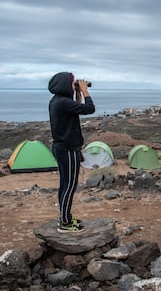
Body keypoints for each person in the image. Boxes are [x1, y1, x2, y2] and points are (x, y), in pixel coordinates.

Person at [48, 72, 95, 233]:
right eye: (73, 82)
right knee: (70, 185)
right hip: (68, 149)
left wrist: (77, 93)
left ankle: (65, 216)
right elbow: (90, 109)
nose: (75, 84)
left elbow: (77, 109)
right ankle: (65, 223)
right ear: (64, 84)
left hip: (61, 148)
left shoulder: (57, 101)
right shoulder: (63, 103)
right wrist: (85, 91)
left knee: (64, 185)